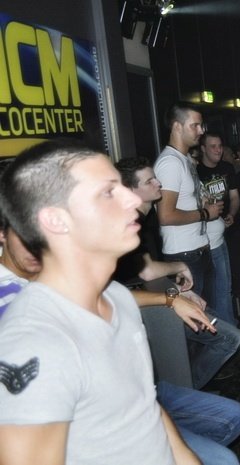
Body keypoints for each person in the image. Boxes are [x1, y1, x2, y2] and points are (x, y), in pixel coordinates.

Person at [0, 140, 199, 464]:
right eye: (108, 192)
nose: (132, 199)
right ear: (56, 220)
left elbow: (144, 407)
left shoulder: (117, 298)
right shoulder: (34, 341)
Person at [0, 220, 240, 465]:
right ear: (3, 235)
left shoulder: (61, 277)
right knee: (223, 460)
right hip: (97, 418)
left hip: (137, 394)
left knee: (232, 417)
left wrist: (170, 299)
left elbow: (110, 294)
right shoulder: (13, 303)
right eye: (26, 235)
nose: (38, 246)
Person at [115, 157, 240, 389]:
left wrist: (177, 288)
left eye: (155, 178)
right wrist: (178, 277)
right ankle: (187, 393)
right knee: (227, 338)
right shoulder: (129, 222)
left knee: (205, 341)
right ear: (130, 190)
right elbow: (145, 272)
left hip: (152, 299)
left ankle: (185, 392)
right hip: (139, 308)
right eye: (149, 181)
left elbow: (144, 269)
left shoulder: (144, 218)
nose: (158, 183)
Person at [154, 102, 222, 304]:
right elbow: (165, 216)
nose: (201, 131)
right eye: (195, 125)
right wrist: (205, 214)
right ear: (177, 126)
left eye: (201, 125)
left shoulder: (183, 159)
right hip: (184, 255)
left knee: (206, 311)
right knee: (195, 315)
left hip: (198, 250)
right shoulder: (170, 163)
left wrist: (202, 201)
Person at [197, 132, 240, 348]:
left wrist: (231, 214)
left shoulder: (227, 168)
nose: (218, 150)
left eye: (220, 145)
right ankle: (227, 335)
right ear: (203, 149)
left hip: (225, 230)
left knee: (226, 284)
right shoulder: (196, 171)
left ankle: (231, 331)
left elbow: (234, 197)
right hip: (205, 236)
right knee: (215, 288)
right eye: (212, 146)